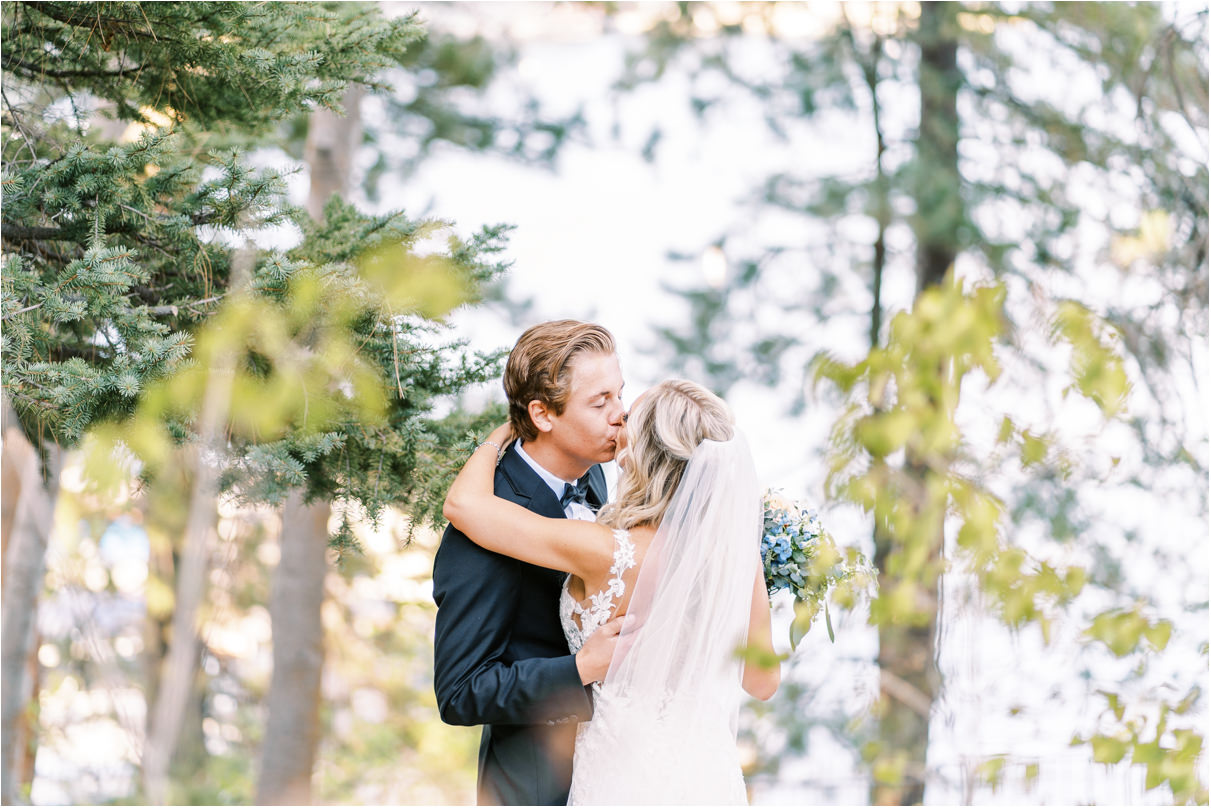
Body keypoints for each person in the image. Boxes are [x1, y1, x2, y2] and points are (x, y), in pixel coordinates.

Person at [445, 378, 780, 805]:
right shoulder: (735, 554)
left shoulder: (606, 551)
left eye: (629, 417)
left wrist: (500, 436)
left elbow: (462, 506)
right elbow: (763, 682)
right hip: (705, 775)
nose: (619, 418)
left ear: (641, 453)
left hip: (620, 772)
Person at [432, 320, 627, 806]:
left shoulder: (597, 473)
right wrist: (579, 669)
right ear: (542, 414)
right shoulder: (485, 520)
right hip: (535, 786)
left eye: (620, 394)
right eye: (599, 403)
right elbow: (460, 692)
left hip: (616, 766)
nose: (620, 416)